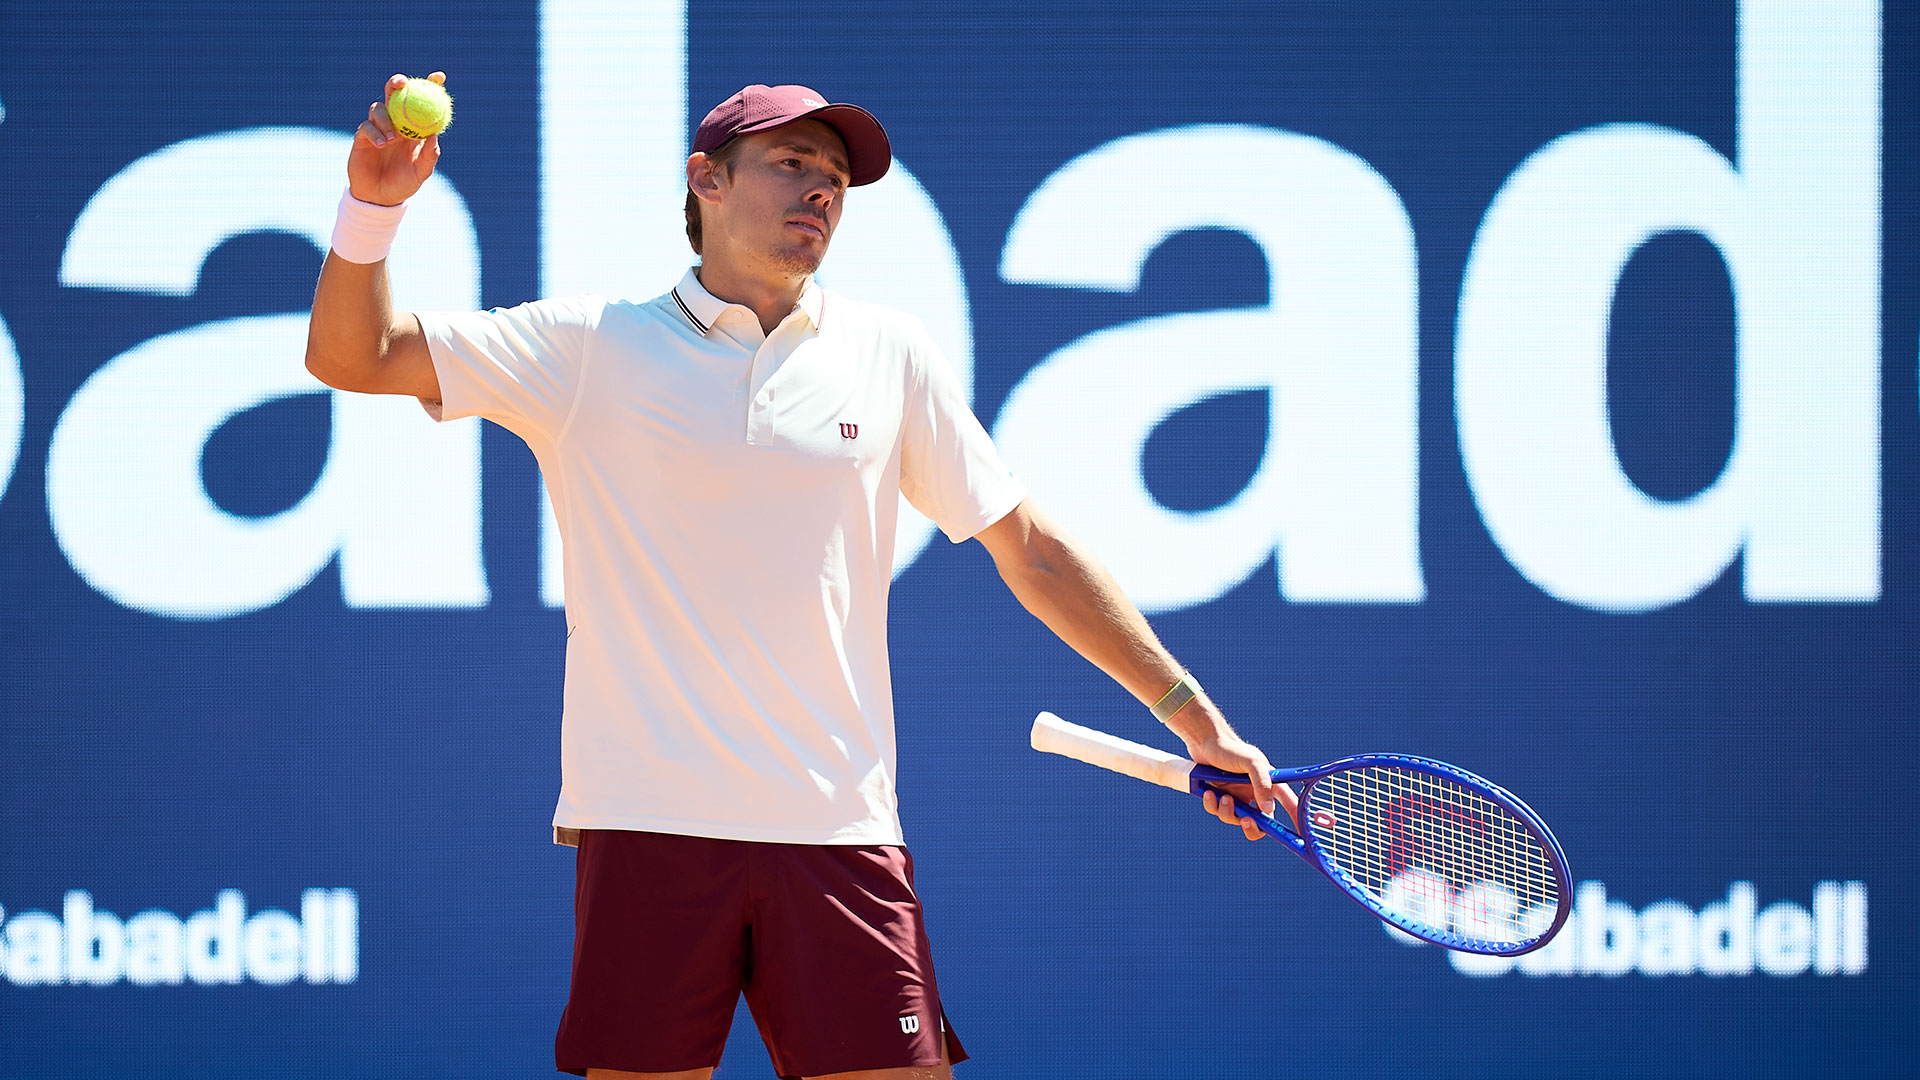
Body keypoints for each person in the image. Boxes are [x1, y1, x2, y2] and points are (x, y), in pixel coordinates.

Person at [306, 74, 1289, 1080]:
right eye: (791, 165)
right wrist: (372, 206)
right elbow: (355, 354)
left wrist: (1197, 719)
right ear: (708, 183)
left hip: (839, 831)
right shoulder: (590, 346)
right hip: (651, 828)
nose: (819, 192)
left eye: (834, 179)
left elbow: (1030, 547)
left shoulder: (889, 354)